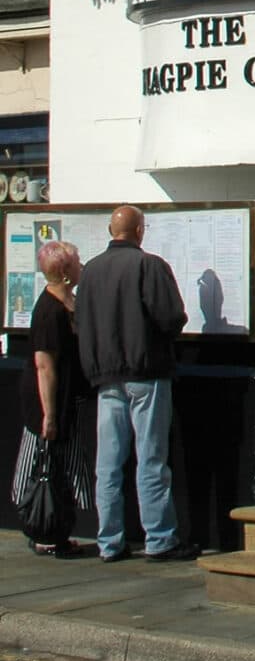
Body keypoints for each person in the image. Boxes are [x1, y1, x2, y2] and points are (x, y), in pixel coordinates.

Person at [76, 206, 198, 562]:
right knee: (151, 459)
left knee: (108, 465)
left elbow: (81, 323)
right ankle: (159, 538)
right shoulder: (149, 266)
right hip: (146, 373)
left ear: (109, 230)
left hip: (105, 377)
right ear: (140, 231)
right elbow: (171, 317)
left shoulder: (90, 271)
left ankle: (109, 541)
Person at [9, 239, 94, 557]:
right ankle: (41, 529)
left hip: (70, 399)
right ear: (65, 271)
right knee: (40, 463)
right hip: (47, 402)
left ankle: (58, 529)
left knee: (65, 467)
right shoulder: (48, 311)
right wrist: (49, 415)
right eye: (76, 261)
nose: (81, 265)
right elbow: (44, 366)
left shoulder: (70, 303)